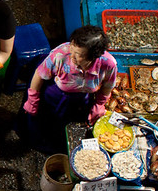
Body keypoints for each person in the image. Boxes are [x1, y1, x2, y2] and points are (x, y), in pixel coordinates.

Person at [22, 25, 117, 153]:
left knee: (66, 129)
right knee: (45, 123)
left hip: (80, 101)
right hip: (55, 95)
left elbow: (107, 86)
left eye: (78, 55)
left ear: (93, 58)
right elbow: (39, 75)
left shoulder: (108, 64)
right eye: (72, 47)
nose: (72, 54)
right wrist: (32, 100)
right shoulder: (61, 54)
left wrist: (99, 104)